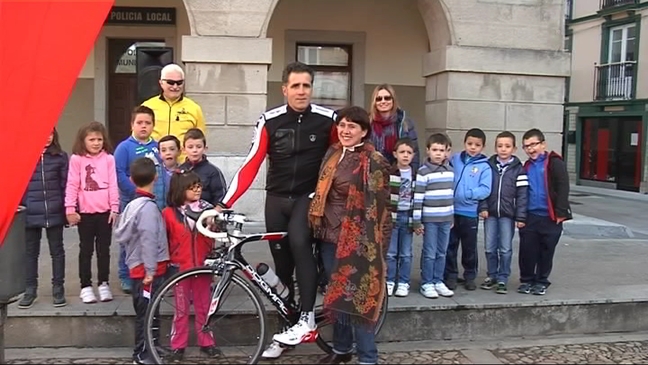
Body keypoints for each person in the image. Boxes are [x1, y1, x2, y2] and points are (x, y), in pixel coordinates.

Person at [216, 61, 337, 358]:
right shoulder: (269, 120)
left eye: (306, 86)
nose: (301, 91)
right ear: (284, 89)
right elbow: (252, 163)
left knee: (299, 242)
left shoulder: (327, 119)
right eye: (295, 86)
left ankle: (307, 320)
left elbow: (339, 160)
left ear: (312, 88)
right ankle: (287, 332)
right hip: (276, 199)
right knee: (282, 272)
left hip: (307, 198)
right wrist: (225, 203)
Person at [308, 106, 391, 365]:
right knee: (337, 297)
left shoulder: (373, 161)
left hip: (358, 242)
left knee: (358, 298)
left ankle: (368, 357)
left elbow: (383, 207)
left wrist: (380, 249)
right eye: (342, 125)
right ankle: (342, 349)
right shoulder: (333, 153)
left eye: (352, 126)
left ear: (364, 131)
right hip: (329, 238)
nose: (345, 131)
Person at [113, 157, 169, 365]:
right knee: (146, 313)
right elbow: (148, 239)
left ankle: (153, 346)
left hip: (140, 268)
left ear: (131, 179)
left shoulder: (133, 205)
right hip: (147, 270)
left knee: (150, 310)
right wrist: (151, 270)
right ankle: (142, 353)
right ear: (155, 177)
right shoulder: (147, 209)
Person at [162, 170, 222, 361]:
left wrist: (216, 222)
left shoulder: (207, 209)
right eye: (192, 187)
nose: (198, 189)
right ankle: (178, 345)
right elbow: (164, 239)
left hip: (203, 266)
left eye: (198, 186)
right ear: (181, 190)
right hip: (181, 267)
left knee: (204, 307)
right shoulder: (169, 213)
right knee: (181, 309)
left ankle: (207, 342)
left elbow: (217, 232)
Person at [114, 105, 168, 294]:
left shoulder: (157, 147)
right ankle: (125, 274)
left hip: (155, 202)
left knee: (152, 238)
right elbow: (119, 173)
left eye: (147, 123)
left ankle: (153, 270)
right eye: (139, 123)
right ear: (132, 125)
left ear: (153, 125)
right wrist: (136, 190)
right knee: (130, 240)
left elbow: (165, 171)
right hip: (131, 202)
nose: (143, 126)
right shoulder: (124, 148)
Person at [64, 121, 119, 304]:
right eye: (92, 139)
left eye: (99, 139)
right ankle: (85, 286)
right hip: (85, 214)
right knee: (86, 250)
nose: (96, 143)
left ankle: (103, 283)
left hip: (105, 213)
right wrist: (70, 209)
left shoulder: (109, 159)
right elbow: (72, 184)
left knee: (104, 250)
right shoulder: (77, 159)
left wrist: (115, 207)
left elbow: (113, 184)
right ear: (83, 141)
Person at [18, 128, 68, 309]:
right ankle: (30, 290)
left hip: (54, 211)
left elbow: (65, 185)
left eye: (50, 133)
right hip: (30, 211)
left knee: (57, 251)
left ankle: (58, 289)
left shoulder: (60, 157)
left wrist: (66, 208)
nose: (47, 137)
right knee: (30, 254)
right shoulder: (23, 157)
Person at [518, 128, 571, 296]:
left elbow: (563, 187)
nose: (530, 149)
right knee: (527, 251)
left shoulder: (555, 162)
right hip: (530, 216)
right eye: (526, 146)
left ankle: (541, 281)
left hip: (550, 216)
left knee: (546, 251)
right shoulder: (526, 166)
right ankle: (527, 280)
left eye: (533, 144)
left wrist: (561, 213)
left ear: (543, 144)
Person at [478, 131, 528, 294]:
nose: (503, 149)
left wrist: (520, 216)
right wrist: (483, 207)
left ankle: (502, 278)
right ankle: (491, 275)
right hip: (491, 214)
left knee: (505, 248)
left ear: (514, 149)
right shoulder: (488, 166)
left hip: (508, 215)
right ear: (495, 147)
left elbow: (522, 195)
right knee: (489, 247)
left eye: (507, 146)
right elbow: (483, 188)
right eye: (500, 146)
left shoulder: (519, 170)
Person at [444, 128, 492, 291]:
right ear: (464, 143)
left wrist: (468, 194)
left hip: (469, 212)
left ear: (482, 147)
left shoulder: (484, 166)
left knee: (469, 247)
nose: (473, 147)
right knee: (451, 245)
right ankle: (450, 275)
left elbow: (485, 189)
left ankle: (470, 276)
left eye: (477, 145)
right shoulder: (455, 159)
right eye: (470, 143)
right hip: (452, 210)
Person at [413, 133, 455, 299]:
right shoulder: (423, 173)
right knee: (430, 252)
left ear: (446, 152)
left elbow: (450, 195)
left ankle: (438, 280)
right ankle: (427, 282)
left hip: (445, 219)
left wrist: (451, 217)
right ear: (428, 151)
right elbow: (418, 198)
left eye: (441, 150)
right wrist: (417, 221)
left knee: (442, 252)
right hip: (430, 220)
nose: (438, 153)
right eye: (435, 149)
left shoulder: (450, 171)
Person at [142, 63, 206, 162]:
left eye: (179, 82)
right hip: (154, 163)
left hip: (185, 165)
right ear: (161, 83)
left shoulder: (194, 108)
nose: (175, 86)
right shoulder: (147, 107)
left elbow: (200, 138)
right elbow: (138, 137)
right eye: (171, 82)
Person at [386, 138, 416, 297]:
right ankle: (390, 281)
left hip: (408, 216)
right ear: (395, 154)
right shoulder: (390, 173)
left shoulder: (416, 174)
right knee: (391, 252)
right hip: (393, 217)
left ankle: (403, 282)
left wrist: (417, 221)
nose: (405, 156)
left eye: (409, 153)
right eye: (402, 152)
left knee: (406, 253)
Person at [368, 84, 420, 171]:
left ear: (393, 100)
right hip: (373, 172)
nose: (383, 101)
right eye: (379, 99)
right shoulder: (367, 122)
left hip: (397, 171)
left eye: (387, 98)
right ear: (374, 102)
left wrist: (413, 173)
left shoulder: (405, 122)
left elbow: (413, 150)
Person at [178, 128, 227, 207]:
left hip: (206, 214)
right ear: (184, 149)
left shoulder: (213, 172)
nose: (195, 150)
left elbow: (221, 197)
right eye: (190, 147)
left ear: (205, 148)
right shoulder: (179, 171)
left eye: (198, 147)